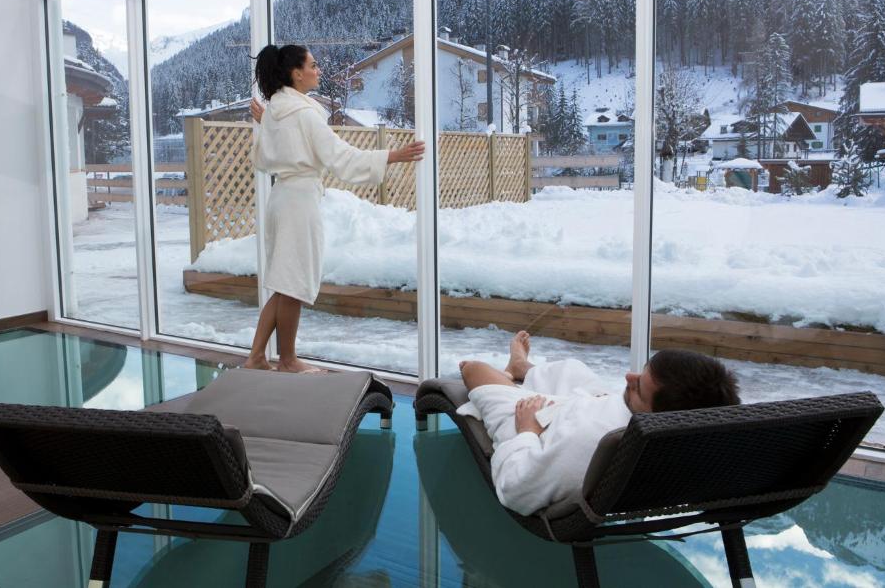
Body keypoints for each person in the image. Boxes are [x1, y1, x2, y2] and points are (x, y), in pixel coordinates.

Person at [243, 44, 424, 373]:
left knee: (285, 282)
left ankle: (257, 357)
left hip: (281, 197)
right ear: (297, 73)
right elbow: (341, 158)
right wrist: (391, 156)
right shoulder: (303, 112)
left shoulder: (275, 111)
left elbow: (260, 158)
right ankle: (287, 360)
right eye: (313, 65)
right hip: (299, 202)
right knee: (294, 283)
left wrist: (266, 122)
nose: (319, 70)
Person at [456, 331, 740, 515]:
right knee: (573, 370)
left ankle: (512, 376)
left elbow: (515, 490)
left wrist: (527, 431)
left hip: (539, 423)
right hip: (592, 409)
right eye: (640, 373)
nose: (628, 377)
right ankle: (521, 368)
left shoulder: (590, 442)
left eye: (639, 387)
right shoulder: (696, 439)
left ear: (656, 416)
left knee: (474, 369)